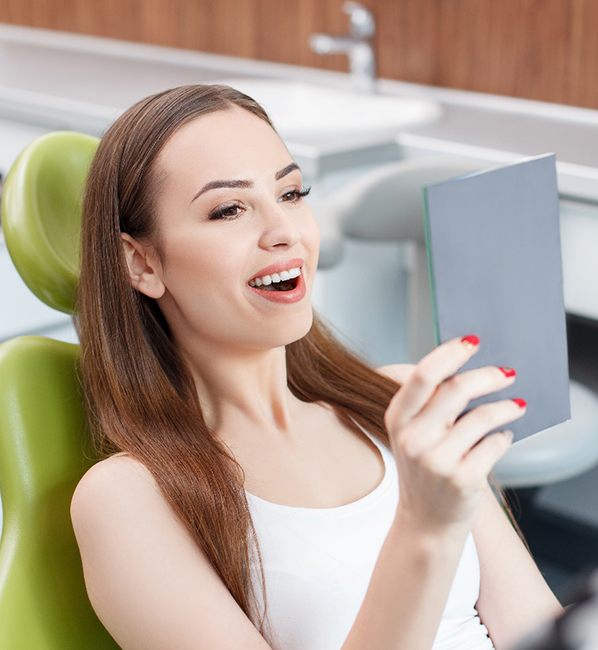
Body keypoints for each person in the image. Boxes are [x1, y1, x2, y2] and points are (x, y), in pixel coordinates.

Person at [69, 83, 562, 649]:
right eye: (229, 209)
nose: (285, 233)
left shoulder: (397, 401)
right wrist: (424, 529)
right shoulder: (128, 498)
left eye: (292, 193)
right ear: (142, 262)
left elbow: (541, 632)